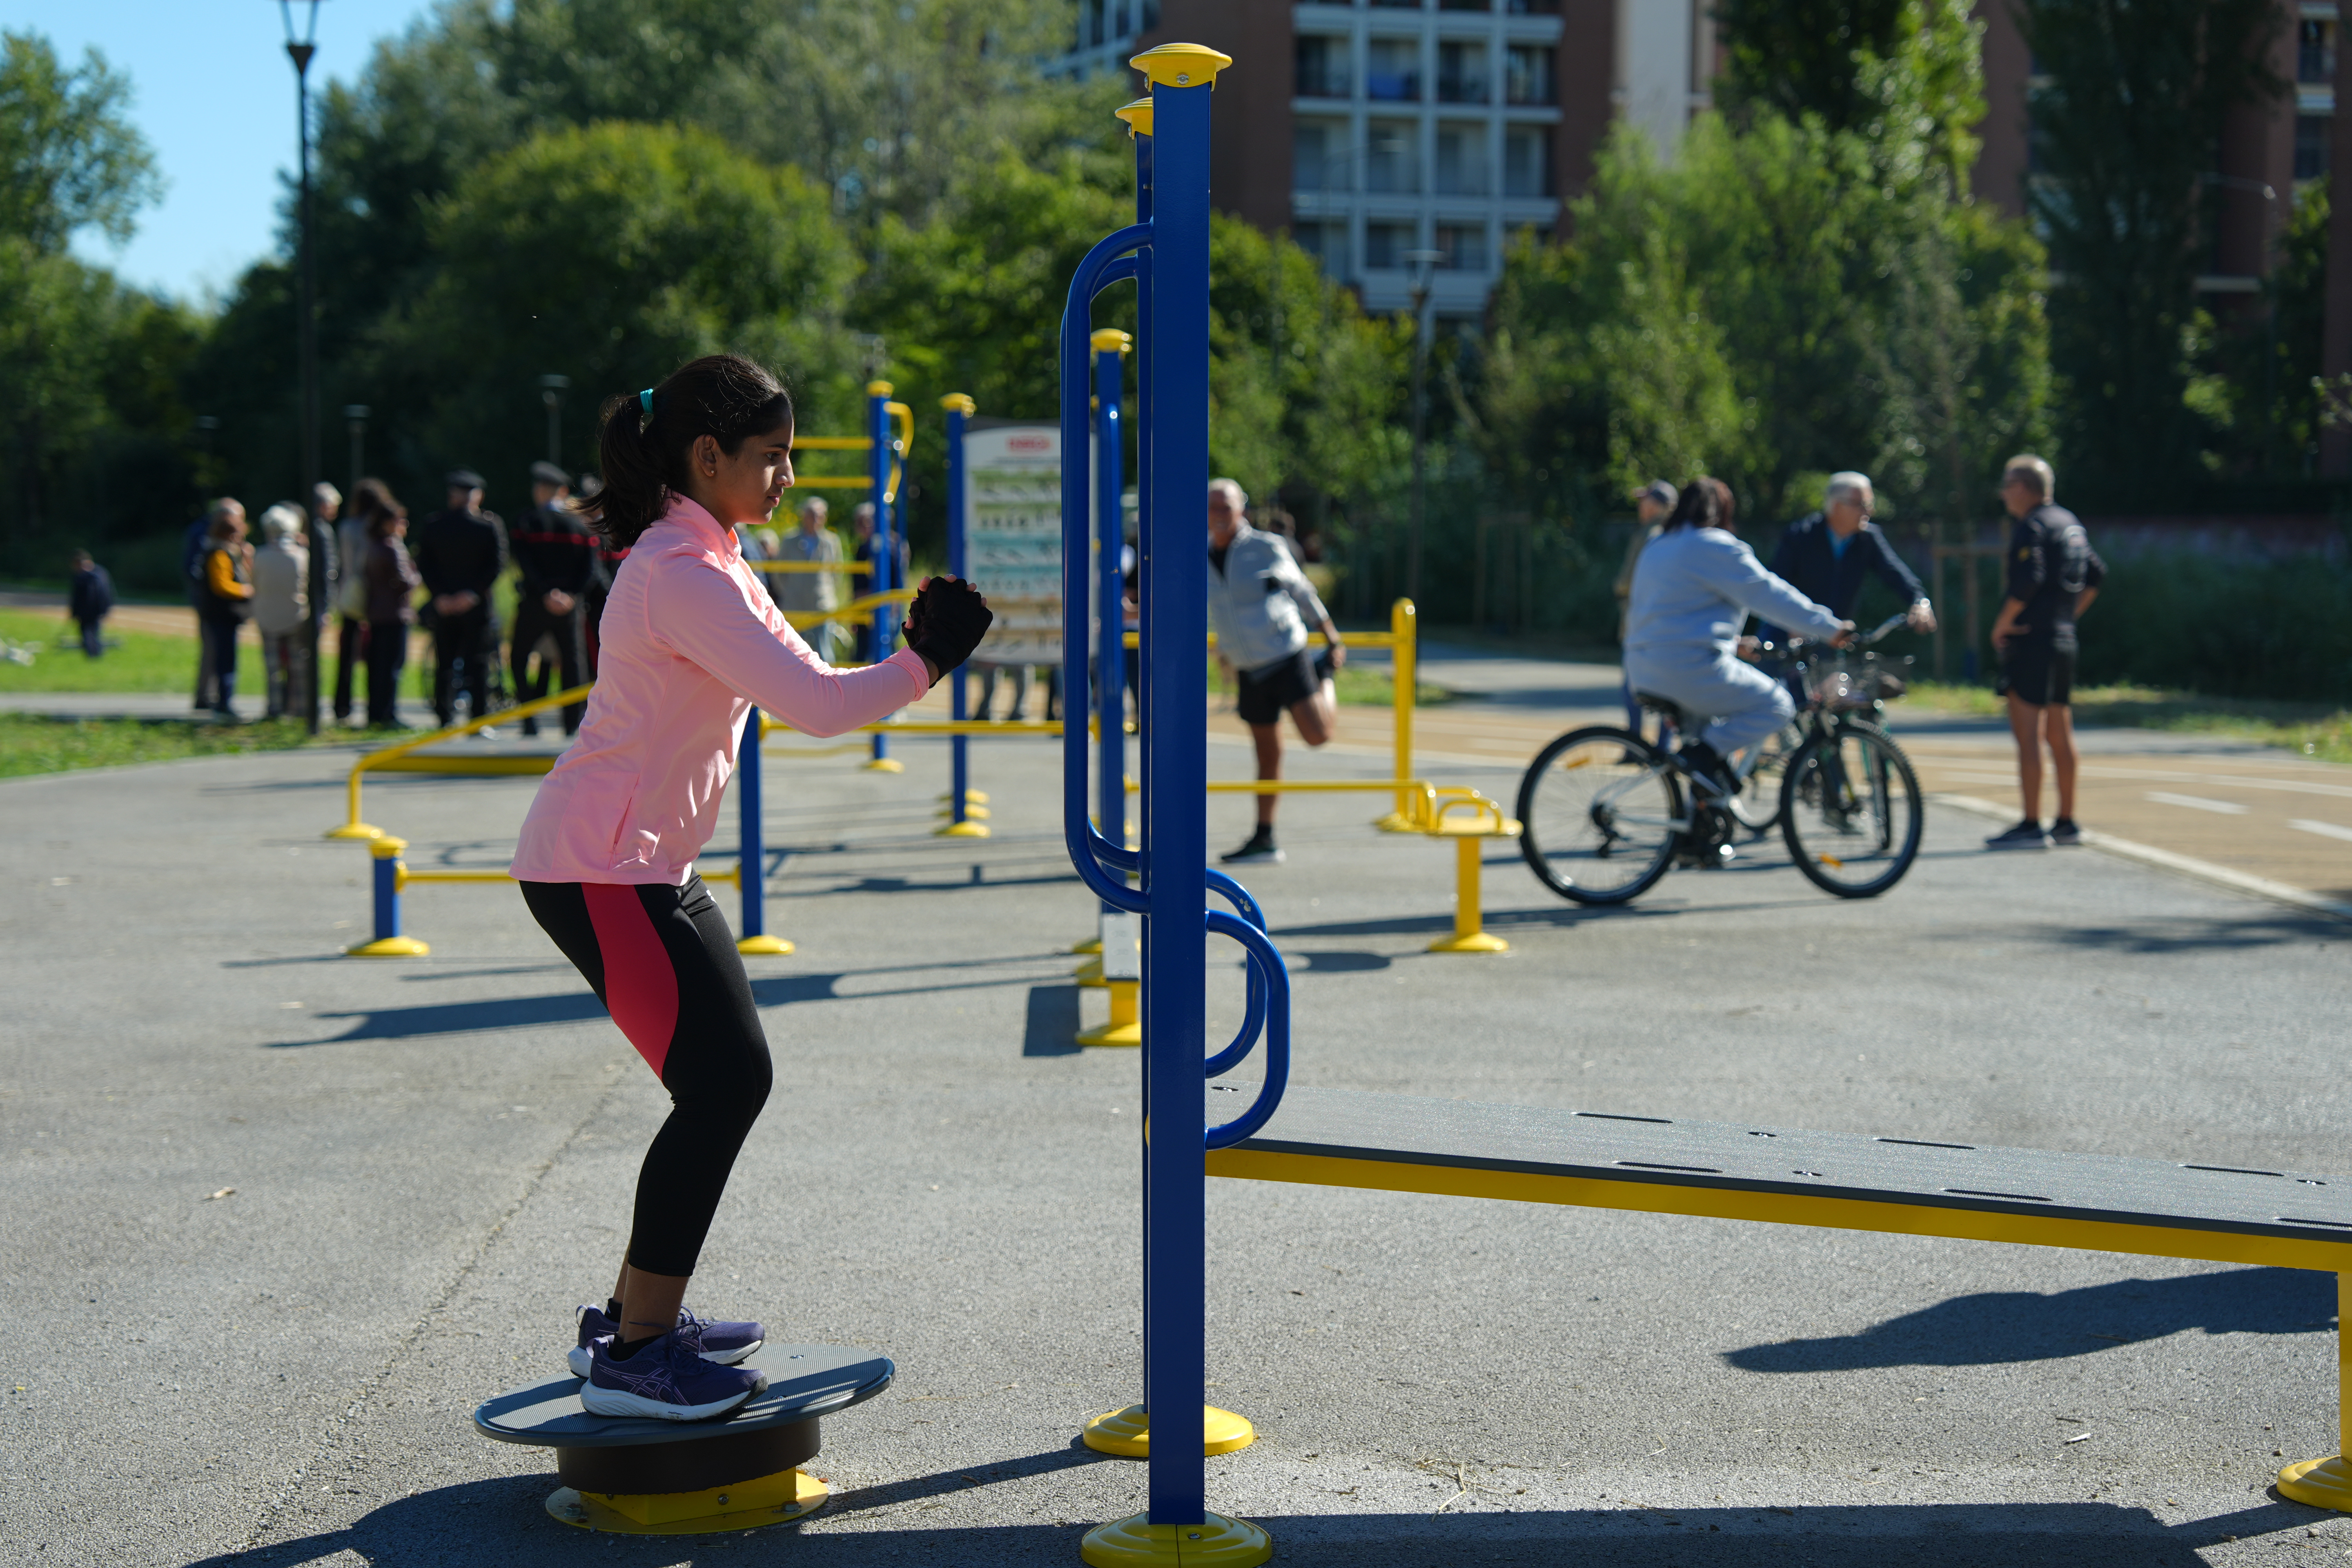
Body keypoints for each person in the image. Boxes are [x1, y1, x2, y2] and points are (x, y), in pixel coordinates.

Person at [509, 354, 992, 1421]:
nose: (783, 474)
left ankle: (632, 1322)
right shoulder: (680, 575)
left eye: (789, 456)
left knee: (729, 1079)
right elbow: (821, 711)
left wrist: (910, 660)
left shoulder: (711, 555)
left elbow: (812, 687)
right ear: (705, 455)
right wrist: (925, 664)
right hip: (600, 869)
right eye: (768, 457)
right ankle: (637, 1352)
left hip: (637, 868)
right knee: (725, 1083)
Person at [1622, 477, 1850, 803]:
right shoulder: (1715, 545)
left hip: (1642, 668)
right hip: (1689, 670)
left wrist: (1731, 643)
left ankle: (1697, 833)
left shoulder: (1657, 545)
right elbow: (1770, 594)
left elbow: (1672, 612)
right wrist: (1831, 628)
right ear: (1723, 512)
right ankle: (1700, 758)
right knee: (1777, 705)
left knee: (1710, 755)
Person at [1206, 477, 1344, 866]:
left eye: (1225, 507)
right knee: (1267, 755)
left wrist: (1331, 637)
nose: (1217, 515)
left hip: (1286, 654)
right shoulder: (1198, 553)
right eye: (1211, 507)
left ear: (1241, 510)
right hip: (1249, 668)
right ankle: (1264, 836)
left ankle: (1325, 677)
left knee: (1318, 736)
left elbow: (1302, 590)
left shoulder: (1264, 547)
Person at [1984, 454, 2105, 849]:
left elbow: (2029, 578)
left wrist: (2003, 623)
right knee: (2060, 730)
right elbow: (2096, 575)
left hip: (2033, 640)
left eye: (2006, 487)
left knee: (2029, 734)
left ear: (2022, 488)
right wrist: (2068, 616)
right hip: (2064, 638)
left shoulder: (2031, 526)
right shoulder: (2069, 523)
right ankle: (2067, 822)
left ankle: (2032, 824)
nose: (2003, 495)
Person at [1760, 472, 1935, 642]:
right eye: (1861, 504)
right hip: (1784, 638)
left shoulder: (1867, 540)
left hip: (1833, 640)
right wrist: (1793, 624)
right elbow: (1776, 586)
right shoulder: (1800, 536)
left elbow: (1896, 574)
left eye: (1869, 504)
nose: (1869, 511)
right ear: (1836, 505)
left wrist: (1920, 602)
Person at [413, 468, 510, 730]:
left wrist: (440, 596)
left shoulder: (434, 524)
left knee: (444, 663)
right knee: (477, 664)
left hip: (445, 605)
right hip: (476, 606)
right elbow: (497, 565)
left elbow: (425, 565)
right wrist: (472, 594)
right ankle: (478, 720)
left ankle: (444, 719)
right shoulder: (489, 525)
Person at [509, 461, 597, 736]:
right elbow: (591, 569)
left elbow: (524, 563)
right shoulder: (580, 527)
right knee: (573, 665)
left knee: (519, 658)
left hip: (537, 602)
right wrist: (572, 596)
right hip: (570, 607)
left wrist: (546, 592)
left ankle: (529, 719)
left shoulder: (527, 523)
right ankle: (572, 724)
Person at [1613, 480, 1677, 734]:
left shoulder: (1652, 535)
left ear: (1657, 505)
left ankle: (1637, 744)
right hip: (1658, 622)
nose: (1640, 506)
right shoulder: (1673, 534)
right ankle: (1661, 746)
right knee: (1666, 688)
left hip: (1643, 622)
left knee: (1634, 686)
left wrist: (1620, 587)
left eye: (1645, 500)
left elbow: (1634, 579)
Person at [359, 481, 421, 729]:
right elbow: (406, 582)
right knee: (393, 666)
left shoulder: (373, 547)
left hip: (376, 613)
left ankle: (375, 712)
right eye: (400, 521)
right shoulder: (393, 548)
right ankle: (388, 714)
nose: (403, 526)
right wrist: (417, 575)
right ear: (388, 523)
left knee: (377, 667)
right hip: (395, 615)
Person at [192, 501, 255, 723]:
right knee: (225, 660)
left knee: (226, 659)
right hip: (222, 615)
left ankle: (224, 701)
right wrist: (246, 591)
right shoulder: (219, 553)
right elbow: (221, 585)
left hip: (225, 616)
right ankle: (224, 703)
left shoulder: (228, 551)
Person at [251, 503, 312, 719]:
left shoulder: (260, 556)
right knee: (298, 667)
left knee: (273, 668)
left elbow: (255, 584)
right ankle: (300, 708)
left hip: (267, 616)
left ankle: (275, 709)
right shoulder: (302, 556)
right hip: (296, 616)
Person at [771, 496, 846, 664]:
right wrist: (790, 592)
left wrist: (826, 593)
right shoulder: (790, 541)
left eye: (821, 515)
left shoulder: (832, 542)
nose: (817, 519)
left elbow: (837, 573)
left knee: (825, 652)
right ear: (804, 516)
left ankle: (831, 686)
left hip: (822, 605)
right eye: (813, 514)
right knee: (791, 654)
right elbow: (779, 573)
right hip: (795, 605)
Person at [333, 486, 374, 725]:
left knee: (347, 652)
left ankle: (342, 705)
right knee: (373, 652)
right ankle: (373, 706)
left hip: (348, 592)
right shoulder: (371, 529)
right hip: (368, 592)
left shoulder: (347, 527)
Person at [183, 509, 221, 711]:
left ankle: (208, 694)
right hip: (211, 605)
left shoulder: (200, 533)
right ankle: (206, 696)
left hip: (207, 603)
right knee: (212, 648)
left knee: (212, 649)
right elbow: (192, 569)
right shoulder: (208, 540)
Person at [67, 550, 113, 657]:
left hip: (90, 611)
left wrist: (75, 612)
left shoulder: (84, 577)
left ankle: (93, 655)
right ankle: (95, 654)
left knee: (89, 634)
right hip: (94, 610)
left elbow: (78, 598)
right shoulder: (101, 573)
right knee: (93, 633)